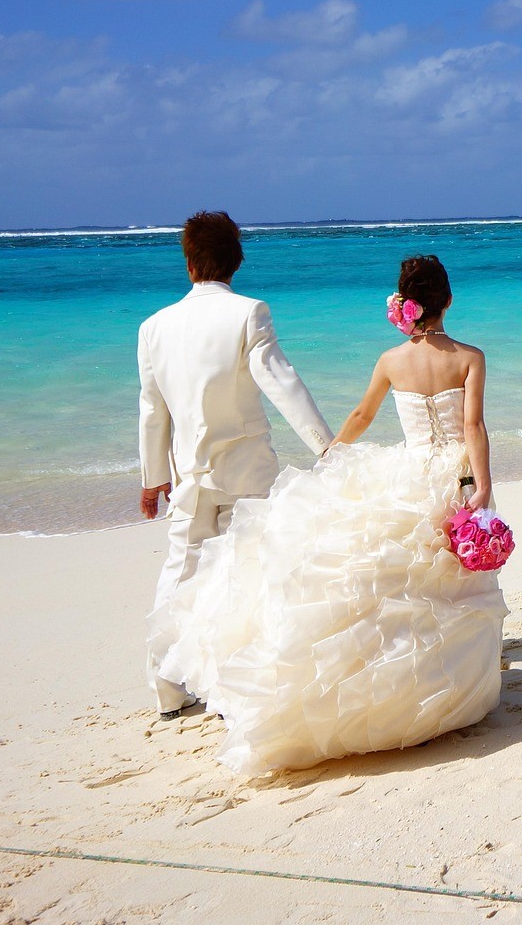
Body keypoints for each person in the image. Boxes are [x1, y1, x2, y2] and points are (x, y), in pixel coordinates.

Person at [157, 253, 508, 775]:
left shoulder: (392, 360)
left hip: (411, 472)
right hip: (454, 473)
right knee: (455, 577)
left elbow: (362, 414)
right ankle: (455, 684)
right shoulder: (470, 357)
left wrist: (333, 452)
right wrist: (482, 486)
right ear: (448, 301)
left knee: (410, 579)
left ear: (405, 307)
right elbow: (473, 426)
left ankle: (407, 683)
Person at [137, 211, 334, 719]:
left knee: (178, 573)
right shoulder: (249, 312)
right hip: (247, 472)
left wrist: (152, 476)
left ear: (188, 262)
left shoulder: (152, 327)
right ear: (237, 261)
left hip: (188, 475)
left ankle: (167, 689)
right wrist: (326, 447)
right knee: (252, 570)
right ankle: (241, 681)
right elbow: (280, 381)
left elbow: (151, 409)